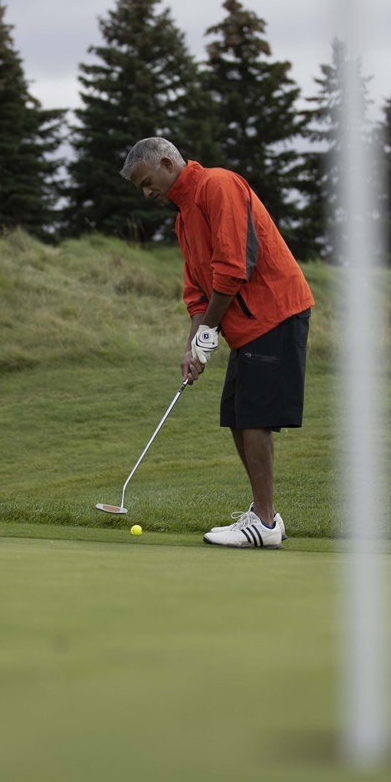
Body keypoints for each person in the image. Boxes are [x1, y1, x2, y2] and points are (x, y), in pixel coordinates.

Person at [122, 137, 314, 549]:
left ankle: (264, 522)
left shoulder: (217, 185)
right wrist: (194, 344)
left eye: (147, 182)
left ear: (167, 162)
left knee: (255, 417)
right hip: (247, 325)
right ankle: (265, 515)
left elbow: (233, 266)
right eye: (141, 188)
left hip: (275, 311)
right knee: (237, 415)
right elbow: (197, 290)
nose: (147, 193)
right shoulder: (184, 218)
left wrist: (209, 331)